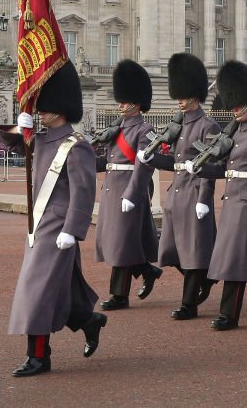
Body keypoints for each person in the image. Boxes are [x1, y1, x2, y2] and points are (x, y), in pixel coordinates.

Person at [5, 61, 107, 377]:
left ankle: (38, 356)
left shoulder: (76, 145)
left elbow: (83, 191)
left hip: (58, 228)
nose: (40, 112)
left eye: (43, 107)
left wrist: (73, 230)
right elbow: (5, 146)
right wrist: (16, 127)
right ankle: (88, 320)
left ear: (59, 108)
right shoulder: (42, 139)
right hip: (38, 226)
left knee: (35, 290)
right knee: (56, 287)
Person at [182, 60, 247, 329]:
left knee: (235, 259)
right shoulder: (233, 134)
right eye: (234, 105)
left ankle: (229, 314)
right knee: (242, 256)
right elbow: (222, 169)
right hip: (231, 201)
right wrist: (200, 168)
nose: (235, 109)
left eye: (239, 104)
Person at [139, 53, 221, 319]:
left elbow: (209, 166)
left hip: (195, 194)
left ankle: (189, 304)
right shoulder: (179, 125)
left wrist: (203, 198)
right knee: (172, 252)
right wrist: (152, 158)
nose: (180, 100)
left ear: (195, 95)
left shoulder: (209, 125)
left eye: (184, 96)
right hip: (176, 193)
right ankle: (207, 278)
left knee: (195, 252)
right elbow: (174, 162)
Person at [93, 60, 161, 311]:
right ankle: (146, 270)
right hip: (112, 189)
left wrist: (133, 193)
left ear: (136, 102)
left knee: (122, 243)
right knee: (116, 241)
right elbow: (105, 161)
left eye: (124, 99)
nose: (120, 104)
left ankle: (119, 295)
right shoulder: (115, 129)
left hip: (130, 190)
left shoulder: (145, 130)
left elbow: (145, 165)